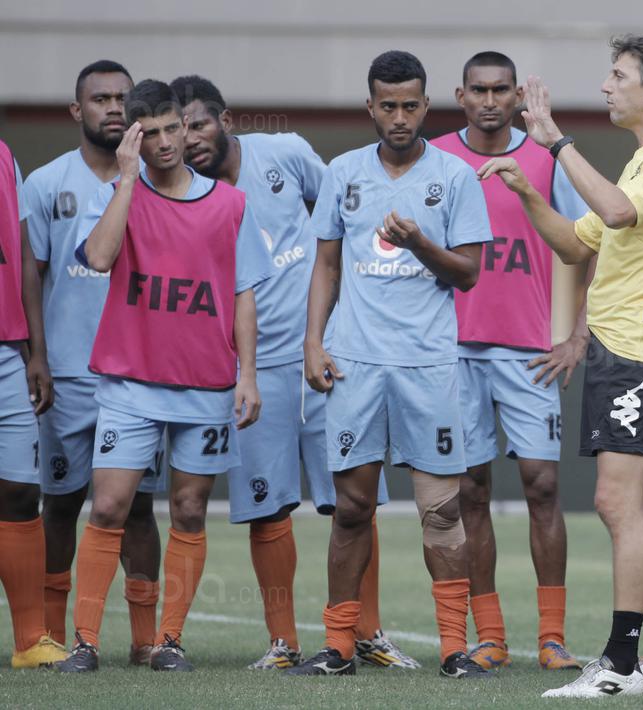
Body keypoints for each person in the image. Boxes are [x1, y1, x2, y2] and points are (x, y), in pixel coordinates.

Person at [479, 35, 643, 698]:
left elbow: (612, 210)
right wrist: (527, 189)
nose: (606, 87)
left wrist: (554, 143)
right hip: (630, 350)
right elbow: (577, 243)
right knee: (639, 505)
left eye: (617, 76)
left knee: (616, 503)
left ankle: (615, 665)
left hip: (638, 352)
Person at [171, 74, 413, 671]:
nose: (191, 138)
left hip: (327, 357)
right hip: (252, 372)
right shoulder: (184, 195)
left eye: (199, 123)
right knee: (266, 508)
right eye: (179, 129)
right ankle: (283, 643)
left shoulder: (285, 153)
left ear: (225, 119)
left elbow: (341, 223)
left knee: (352, 501)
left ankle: (367, 632)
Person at [290, 50, 492, 679]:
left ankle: (455, 650)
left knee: (441, 511)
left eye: (410, 106)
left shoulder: (455, 177)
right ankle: (339, 648)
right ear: (370, 107)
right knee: (352, 508)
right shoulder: (343, 173)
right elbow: (326, 265)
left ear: (427, 107)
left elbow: (469, 274)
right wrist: (312, 343)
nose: (399, 117)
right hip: (353, 363)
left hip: (427, 365)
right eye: (388, 105)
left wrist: (419, 242)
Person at [57, 79, 271, 673]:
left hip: (206, 386)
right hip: (130, 384)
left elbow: (244, 294)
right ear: (134, 139)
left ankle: (169, 640)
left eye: (172, 128)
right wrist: (125, 178)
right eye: (147, 134)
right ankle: (86, 641)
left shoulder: (229, 203)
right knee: (109, 506)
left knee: (190, 510)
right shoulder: (115, 194)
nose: (165, 142)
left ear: (186, 124)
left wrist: (247, 374)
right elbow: (99, 258)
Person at [431, 51, 589, 672]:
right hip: (453, 352)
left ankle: (552, 638)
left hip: (529, 354)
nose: (491, 100)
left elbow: (588, 244)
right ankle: (490, 635)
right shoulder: (436, 157)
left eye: (502, 90)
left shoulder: (547, 159)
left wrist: (577, 336)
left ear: (518, 96)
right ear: (461, 94)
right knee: (470, 491)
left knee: (543, 486)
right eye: (480, 90)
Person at [23, 60, 165, 666]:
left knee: (137, 506)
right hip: (69, 374)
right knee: (59, 502)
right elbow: (34, 275)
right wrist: (38, 357)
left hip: (136, 376)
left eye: (122, 98)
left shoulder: (157, 184)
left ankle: (143, 638)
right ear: (76, 111)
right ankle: (52, 634)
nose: (113, 107)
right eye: (100, 99)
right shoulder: (45, 182)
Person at [0, 136, 67, 670]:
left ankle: (29, 641)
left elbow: (23, 257)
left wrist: (35, 351)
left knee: (22, 491)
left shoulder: (5, 156)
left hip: (7, 353)